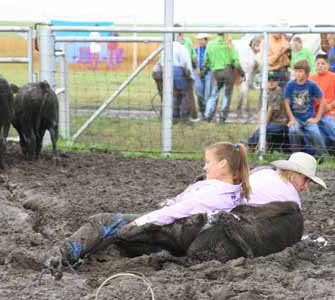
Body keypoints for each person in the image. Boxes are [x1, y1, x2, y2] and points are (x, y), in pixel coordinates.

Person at [42, 142, 251, 269]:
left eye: (208, 162)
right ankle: (78, 255)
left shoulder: (211, 194)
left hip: (169, 233)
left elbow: (175, 212)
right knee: (113, 233)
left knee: (105, 222)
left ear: (223, 164)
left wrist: (139, 223)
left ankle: (61, 255)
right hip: (180, 238)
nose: (205, 166)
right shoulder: (234, 191)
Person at [247, 152, 327, 209]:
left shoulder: (263, 172)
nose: (306, 186)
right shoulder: (292, 199)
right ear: (292, 174)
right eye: (305, 179)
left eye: (309, 182)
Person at [284, 60, 326, 158]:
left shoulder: (312, 85)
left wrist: (317, 118)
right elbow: (286, 103)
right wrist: (292, 119)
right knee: (293, 131)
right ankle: (296, 156)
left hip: (308, 119)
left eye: (301, 71)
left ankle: (321, 157)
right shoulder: (290, 85)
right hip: (296, 119)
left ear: (306, 73)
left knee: (315, 134)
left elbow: (322, 101)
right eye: (296, 71)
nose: (298, 74)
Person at [310, 54, 335, 156]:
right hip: (315, 112)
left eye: (323, 64)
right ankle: (318, 152)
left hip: (330, 111)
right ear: (314, 65)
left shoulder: (334, 77)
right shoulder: (311, 79)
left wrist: (330, 106)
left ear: (328, 65)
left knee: (330, 124)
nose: (320, 66)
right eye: (318, 64)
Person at [152, 34, 194, 121]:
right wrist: (190, 76)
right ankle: (183, 117)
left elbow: (162, 63)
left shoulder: (165, 47)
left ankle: (172, 117)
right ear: (178, 37)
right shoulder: (181, 47)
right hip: (178, 71)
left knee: (171, 95)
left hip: (165, 72)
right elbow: (185, 63)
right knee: (183, 95)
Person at [203, 33, 242, 123]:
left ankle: (207, 116)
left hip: (216, 72)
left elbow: (206, 60)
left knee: (213, 95)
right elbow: (235, 61)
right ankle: (222, 117)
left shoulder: (210, 44)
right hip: (228, 72)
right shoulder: (229, 44)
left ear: (217, 34)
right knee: (226, 96)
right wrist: (241, 72)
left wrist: (204, 70)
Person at [245, 72, 289, 152]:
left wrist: (262, 126)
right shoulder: (264, 91)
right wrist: (258, 124)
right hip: (269, 122)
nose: (271, 82)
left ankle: (249, 145)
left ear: (277, 82)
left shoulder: (279, 92)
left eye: (274, 80)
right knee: (260, 130)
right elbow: (261, 109)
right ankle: (259, 148)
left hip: (279, 122)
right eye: (269, 80)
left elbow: (270, 110)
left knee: (262, 131)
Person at [194, 33, 212, 118]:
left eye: (202, 40)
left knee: (208, 93)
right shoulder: (196, 50)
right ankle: (203, 109)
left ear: (206, 40)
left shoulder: (210, 50)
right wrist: (196, 68)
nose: (200, 41)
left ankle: (206, 113)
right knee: (198, 91)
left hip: (208, 72)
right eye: (199, 40)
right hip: (198, 73)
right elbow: (193, 60)